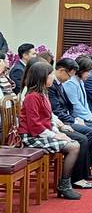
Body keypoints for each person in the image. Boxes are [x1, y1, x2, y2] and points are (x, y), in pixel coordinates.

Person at [18, 61, 81, 200]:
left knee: (72, 142)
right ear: (41, 77)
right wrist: (55, 135)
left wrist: (58, 132)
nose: (53, 77)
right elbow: (35, 125)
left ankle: (65, 183)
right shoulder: (32, 97)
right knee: (74, 146)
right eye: (50, 75)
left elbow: (48, 119)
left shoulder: (43, 94)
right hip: (31, 136)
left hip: (41, 132)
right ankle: (64, 185)